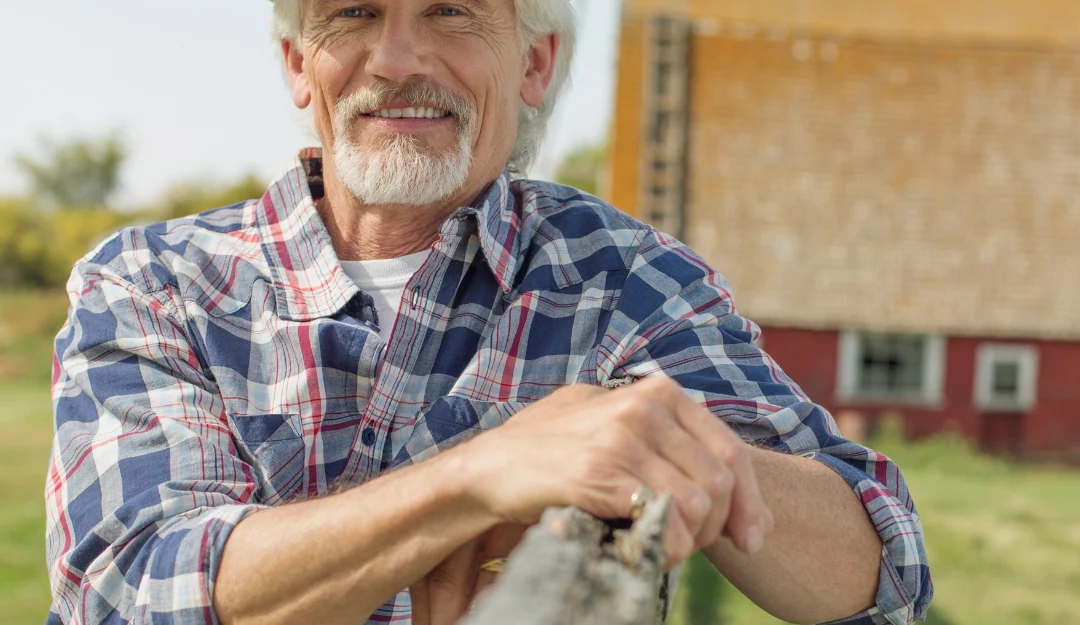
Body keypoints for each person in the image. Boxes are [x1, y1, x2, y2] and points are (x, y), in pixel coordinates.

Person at [44, 1, 932, 624]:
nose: (396, 59)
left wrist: (688, 449)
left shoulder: (622, 279)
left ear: (535, 62)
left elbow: (882, 563)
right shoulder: (152, 281)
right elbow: (127, 591)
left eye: (453, 11)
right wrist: (481, 473)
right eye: (352, 11)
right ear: (297, 64)